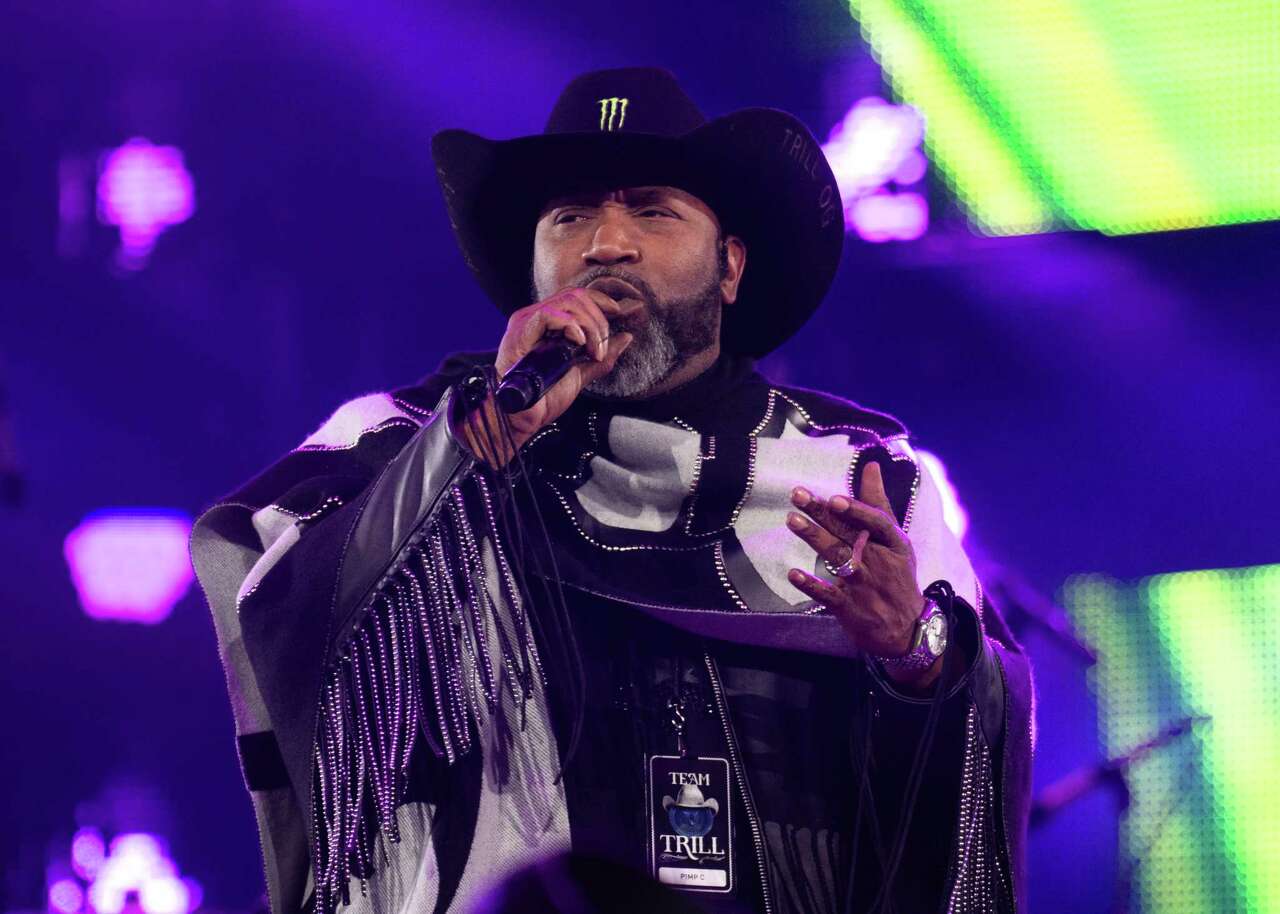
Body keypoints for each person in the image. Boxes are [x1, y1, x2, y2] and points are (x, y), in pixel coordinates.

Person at [192, 68, 1033, 914]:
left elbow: (979, 755)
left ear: (730, 266)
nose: (606, 243)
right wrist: (474, 443)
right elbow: (288, 621)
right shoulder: (400, 442)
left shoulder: (852, 477)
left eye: (652, 208)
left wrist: (916, 654)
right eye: (571, 216)